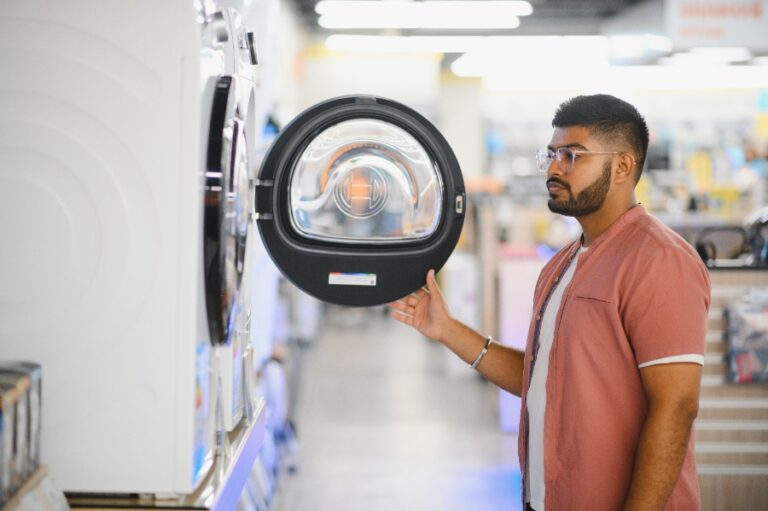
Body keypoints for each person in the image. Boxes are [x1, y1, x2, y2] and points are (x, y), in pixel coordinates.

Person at [388, 94, 710, 511]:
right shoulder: (562, 264)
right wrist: (447, 330)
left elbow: (676, 407)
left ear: (624, 166)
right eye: (552, 154)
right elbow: (543, 378)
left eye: (572, 156)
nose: (555, 168)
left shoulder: (659, 261)